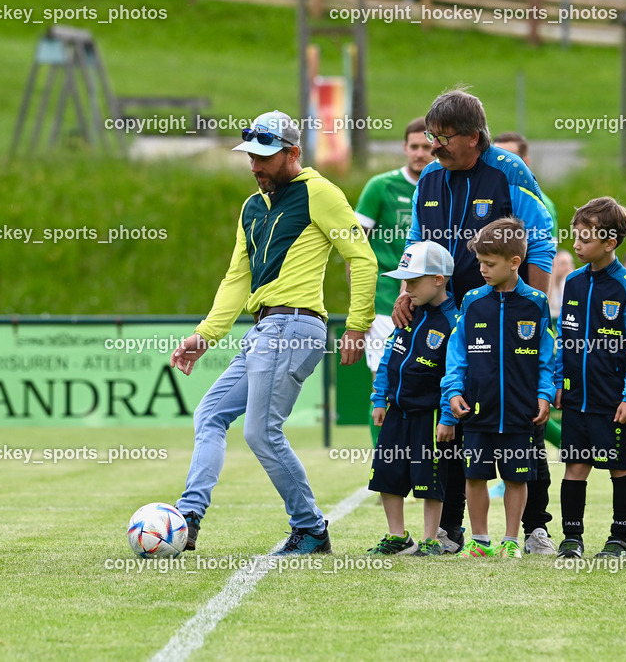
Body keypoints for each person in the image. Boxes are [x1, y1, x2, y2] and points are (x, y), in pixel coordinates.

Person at [169, 110, 377, 555]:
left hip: (295, 326)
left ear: (293, 153)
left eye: (265, 157)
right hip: (265, 328)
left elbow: (361, 258)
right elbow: (236, 280)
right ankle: (188, 518)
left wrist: (358, 325)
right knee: (210, 415)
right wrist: (203, 337)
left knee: (262, 433)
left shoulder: (320, 193)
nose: (256, 166)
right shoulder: (251, 207)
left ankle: (310, 529)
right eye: (250, 156)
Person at [394, 87, 556, 555]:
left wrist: (535, 312)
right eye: (430, 135)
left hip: (508, 317)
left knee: (522, 423)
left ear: (473, 137)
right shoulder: (428, 179)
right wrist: (409, 291)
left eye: (443, 137)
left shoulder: (509, 172)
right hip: (445, 317)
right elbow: (416, 242)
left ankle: (535, 529)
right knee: (450, 418)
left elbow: (540, 242)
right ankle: (449, 531)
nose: (434, 146)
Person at [442, 217, 554, 558]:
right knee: (474, 477)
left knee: (517, 478)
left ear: (514, 262)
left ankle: (510, 540)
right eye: (479, 263)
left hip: (520, 411)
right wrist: (453, 392)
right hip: (478, 409)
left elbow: (547, 357)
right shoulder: (473, 301)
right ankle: (479, 540)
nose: (482, 270)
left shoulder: (536, 303)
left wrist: (545, 394)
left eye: (489, 264)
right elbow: (456, 354)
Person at [554, 197, 626, 559]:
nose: (576, 244)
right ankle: (571, 539)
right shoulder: (573, 283)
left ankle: (619, 540)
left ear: (610, 242)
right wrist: (559, 381)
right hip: (576, 395)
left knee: (620, 466)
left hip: (613, 398)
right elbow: (564, 335)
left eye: (585, 238)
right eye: (575, 236)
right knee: (575, 465)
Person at [368, 241, 458, 557]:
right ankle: (397, 536)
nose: (406, 288)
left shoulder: (453, 323)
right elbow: (389, 359)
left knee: (430, 478)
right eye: (404, 281)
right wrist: (380, 398)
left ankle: (432, 538)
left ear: (438, 279)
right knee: (387, 474)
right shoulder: (408, 314)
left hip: (429, 416)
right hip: (396, 411)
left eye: (413, 281)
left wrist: (447, 416)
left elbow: (455, 375)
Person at [355, 117, 433, 445]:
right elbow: (355, 249)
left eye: (427, 147)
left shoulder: (444, 186)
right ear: (404, 148)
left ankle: (431, 469)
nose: (419, 153)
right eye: (414, 146)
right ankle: (383, 467)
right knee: (383, 382)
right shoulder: (380, 187)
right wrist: (360, 305)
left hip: (435, 302)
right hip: (386, 302)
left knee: (435, 383)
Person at [492, 132, 558, 233]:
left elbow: (547, 244)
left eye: (509, 160)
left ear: (525, 163)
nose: (500, 165)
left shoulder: (541, 204)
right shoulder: (484, 196)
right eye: (496, 158)